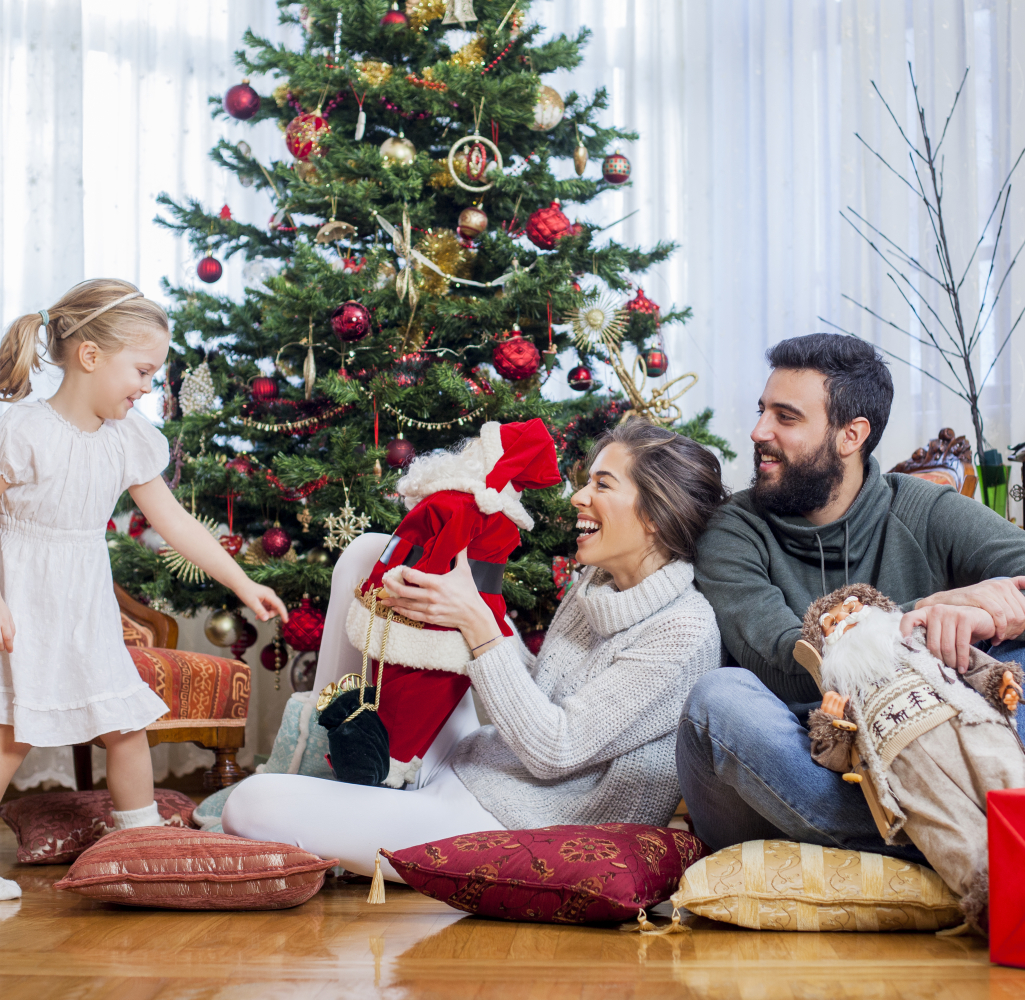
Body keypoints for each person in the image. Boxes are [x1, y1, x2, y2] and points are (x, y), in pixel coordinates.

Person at [223, 419, 728, 881]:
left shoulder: (683, 630)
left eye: (602, 485)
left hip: (522, 821)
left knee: (249, 805)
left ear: (656, 515)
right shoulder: (599, 581)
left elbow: (555, 750)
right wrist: (467, 605)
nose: (578, 497)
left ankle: (353, 802)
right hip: (484, 764)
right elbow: (534, 690)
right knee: (369, 553)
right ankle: (327, 757)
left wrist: (477, 621)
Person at [678, 333, 1025, 855]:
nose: (758, 431)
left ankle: (950, 837)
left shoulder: (923, 510)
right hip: (788, 774)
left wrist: (993, 616)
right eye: (762, 411)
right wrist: (930, 613)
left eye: (785, 417)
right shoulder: (734, 529)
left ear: (851, 435)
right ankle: (966, 837)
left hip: (918, 756)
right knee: (718, 699)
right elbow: (786, 660)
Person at [0, 279, 287, 902]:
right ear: (90, 356)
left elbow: (177, 524)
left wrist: (243, 581)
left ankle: (144, 847)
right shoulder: (20, 429)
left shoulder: (126, 437)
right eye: (143, 371)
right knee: (13, 732)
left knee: (123, 723)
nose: (148, 388)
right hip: (21, 598)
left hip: (83, 603)